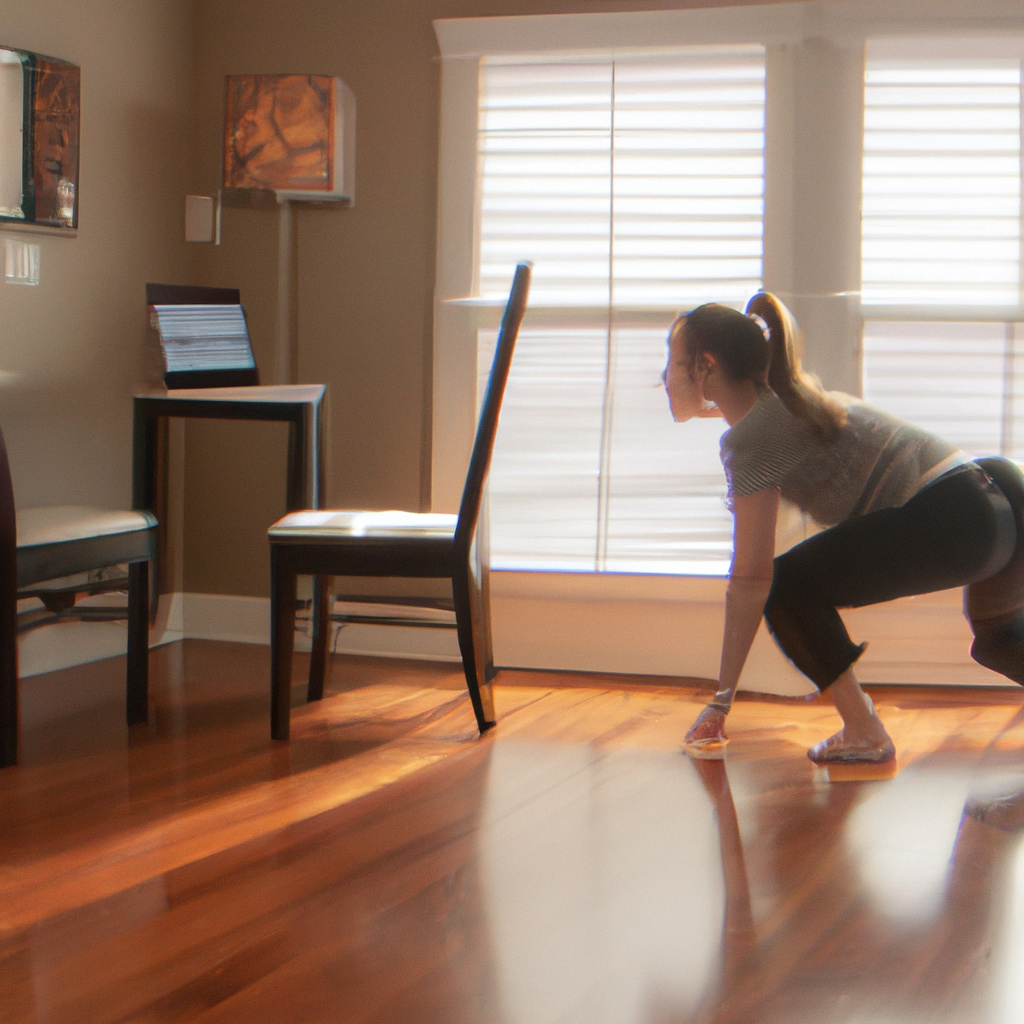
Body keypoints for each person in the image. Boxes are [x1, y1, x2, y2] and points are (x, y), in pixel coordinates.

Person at [665, 293, 1024, 763]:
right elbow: (742, 412)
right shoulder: (789, 401)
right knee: (999, 644)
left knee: (787, 584)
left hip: (958, 519)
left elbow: (750, 579)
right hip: (1001, 495)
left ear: (705, 367)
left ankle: (864, 730)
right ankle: (863, 729)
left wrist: (722, 698)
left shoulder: (753, 442)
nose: (663, 377)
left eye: (672, 362)